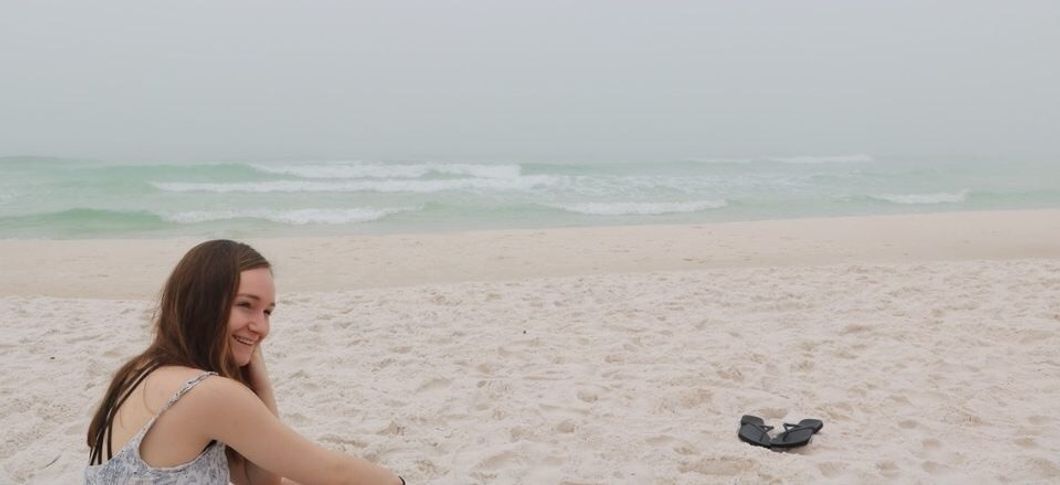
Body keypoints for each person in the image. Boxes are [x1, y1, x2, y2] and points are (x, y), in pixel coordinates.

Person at [85, 239, 403, 485]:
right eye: (245, 305)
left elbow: (261, 481)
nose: (261, 326)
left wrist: (258, 379)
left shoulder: (140, 370)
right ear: (202, 304)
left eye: (267, 312)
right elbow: (330, 470)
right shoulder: (207, 394)